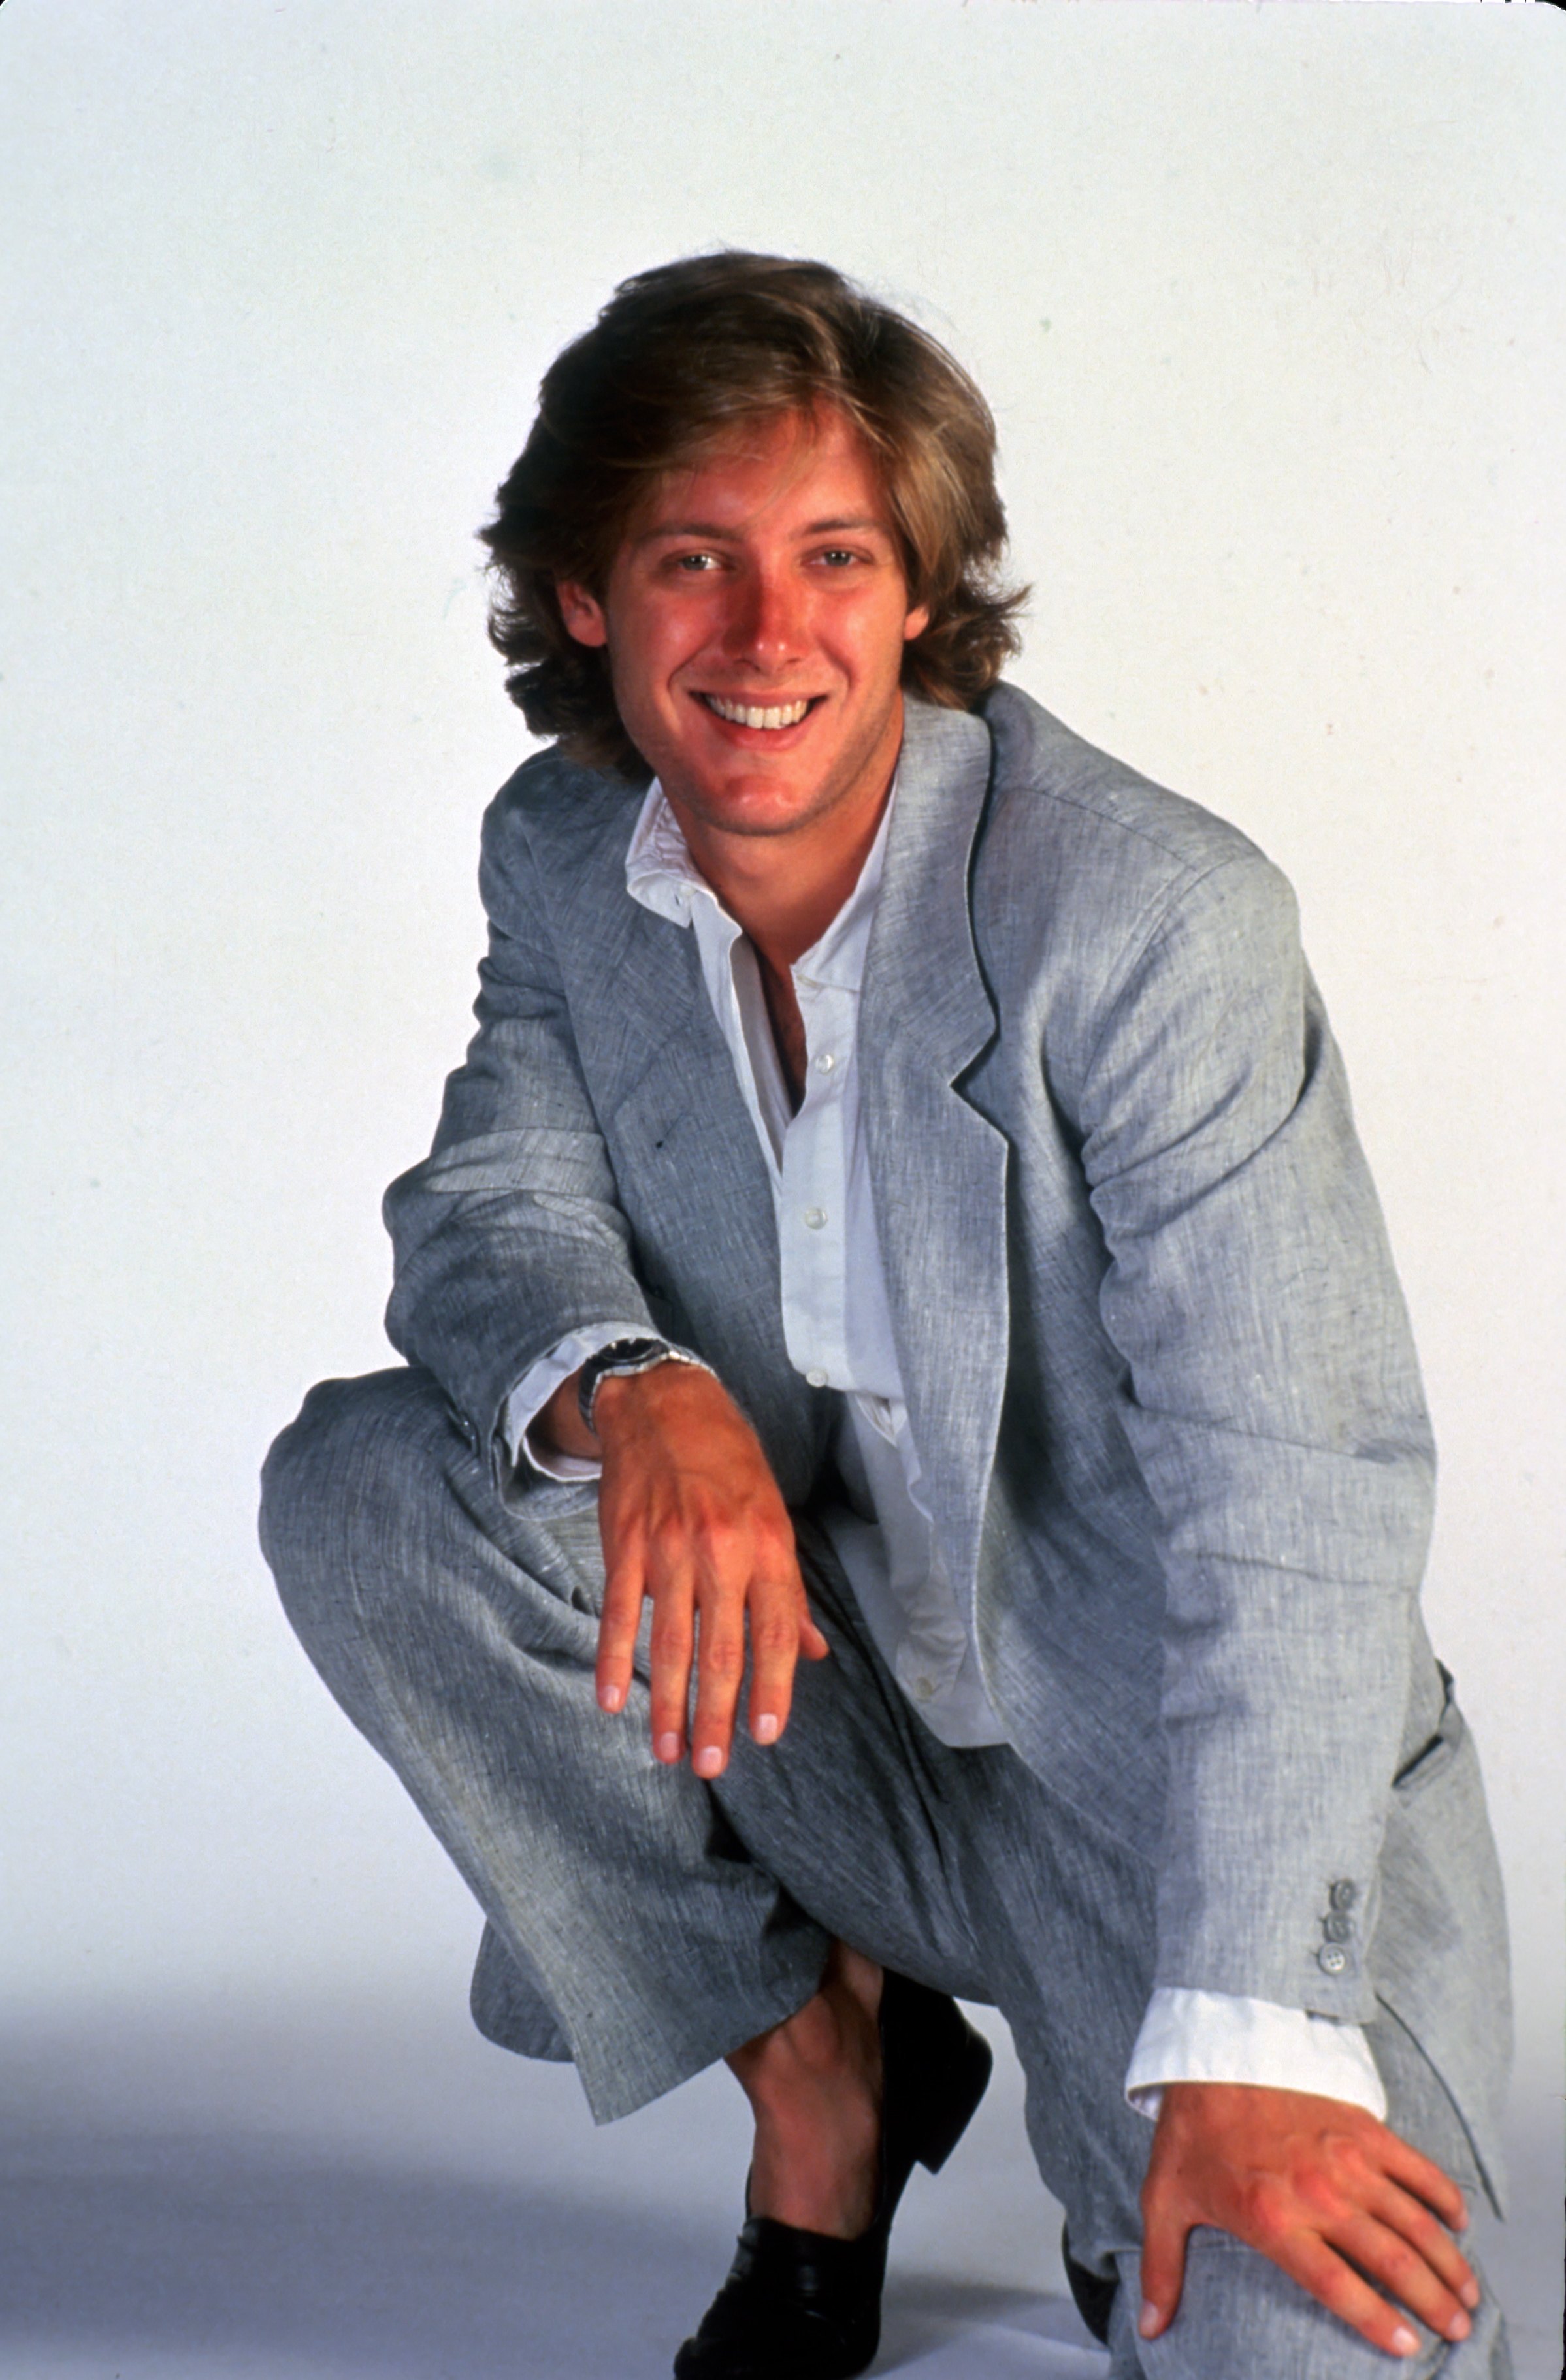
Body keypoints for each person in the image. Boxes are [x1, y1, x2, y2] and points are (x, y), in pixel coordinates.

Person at [259, 252, 1514, 2379]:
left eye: (835, 557)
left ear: (922, 590)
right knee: (374, 1490)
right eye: (695, 561)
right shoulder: (568, 851)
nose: (767, 637)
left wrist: (1252, 2031)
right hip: (839, 1733)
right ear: (585, 595)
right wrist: (636, 1391)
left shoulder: (1149, 920)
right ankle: (825, 2081)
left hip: (1174, 1794)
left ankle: (1164, 2084)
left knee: (1317, 2356)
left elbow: (1299, 1491)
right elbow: (495, 1202)